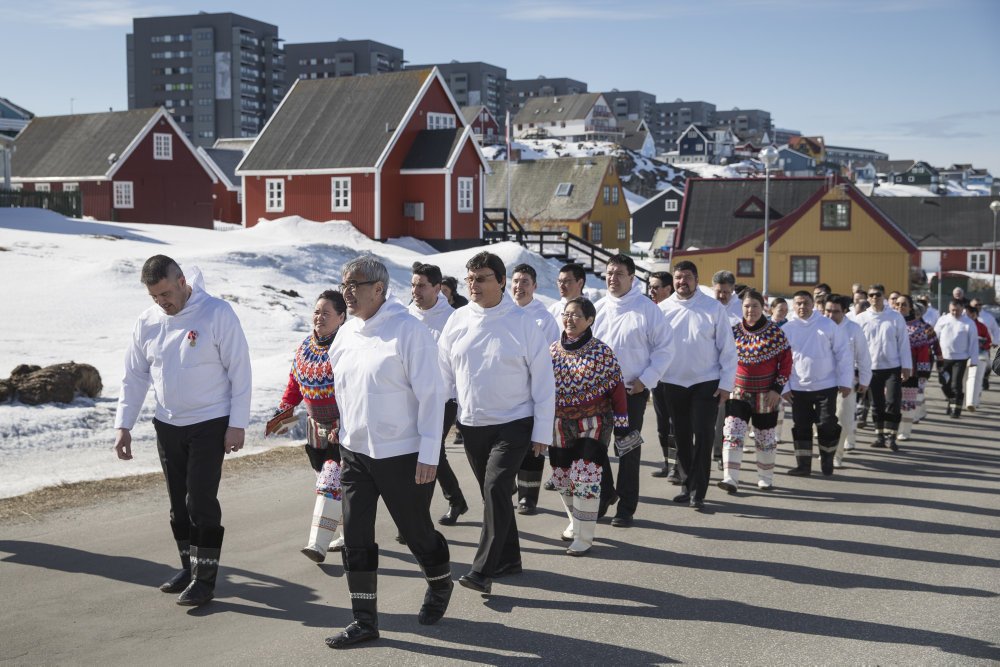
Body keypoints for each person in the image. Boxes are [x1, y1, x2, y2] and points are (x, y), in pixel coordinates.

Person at [324, 257, 452, 648]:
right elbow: (344, 389)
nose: (347, 291)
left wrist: (430, 453)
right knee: (356, 536)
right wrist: (340, 429)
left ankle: (439, 581)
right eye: (344, 284)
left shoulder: (407, 331)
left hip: (403, 453)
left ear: (378, 289)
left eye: (355, 285)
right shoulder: (345, 335)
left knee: (416, 532)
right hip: (356, 453)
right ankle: (364, 620)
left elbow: (433, 395)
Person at [114, 255, 252, 607]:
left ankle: (205, 580)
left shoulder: (217, 313)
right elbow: (135, 375)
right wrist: (123, 424)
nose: (162, 302)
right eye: (154, 297)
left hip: (210, 422)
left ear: (181, 282)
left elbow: (240, 370)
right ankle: (188, 569)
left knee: (200, 500)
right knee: (178, 505)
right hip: (168, 424)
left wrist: (237, 424)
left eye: (165, 293)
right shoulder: (147, 322)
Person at [438, 251, 555, 595]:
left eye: (482, 278)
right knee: (496, 495)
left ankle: (482, 570)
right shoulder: (458, 320)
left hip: (515, 421)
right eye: (469, 279)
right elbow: (444, 373)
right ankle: (510, 559)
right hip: (472, 423)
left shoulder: (523, 324)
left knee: (495, 489)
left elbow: (544, 382)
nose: (473, 285)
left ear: (501, 281)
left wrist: (542, 432)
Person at [266, 290, 347, 563]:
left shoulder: (346, 347)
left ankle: (317, 545)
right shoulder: (304, 347)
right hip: (315, 430)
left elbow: (356, 389)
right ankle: (350, 533)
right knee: (332, 486)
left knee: (331, 482)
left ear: (342, 317)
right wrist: (282, 413)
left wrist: (346, 423)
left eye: (326, 313)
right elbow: (294, 385)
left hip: (342, 428)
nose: (319, 318)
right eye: (316, 312)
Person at [593, 254, 673, 524]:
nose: (612, 278)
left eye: (619, 274)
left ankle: (626, 506)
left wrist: (645, 379)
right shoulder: (598, 308)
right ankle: (605, 495)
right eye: (609, 273)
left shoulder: (647, 309)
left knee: (627, 448)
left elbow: (665, 349)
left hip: (631, 392)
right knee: (593, 447)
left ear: (631, 277)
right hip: (598, 393)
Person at [550, 296, 630, 555]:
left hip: (594, 422)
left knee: (584, 476)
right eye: (566, 314)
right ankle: (575, 521)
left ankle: (584, 537)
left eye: (576, 315)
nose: (569, 319)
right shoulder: (552, 351)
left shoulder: (601, 351)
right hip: (560, 422)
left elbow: (617, 389)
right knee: (563, 477)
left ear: (590, 320)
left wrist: (622, 423)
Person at [659, 261, 737, 509]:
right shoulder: (662, 309)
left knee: (703, 435)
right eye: (678, 277)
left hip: (706, 382)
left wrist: (726, 384)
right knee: (681, 436)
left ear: (696, 279)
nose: (683, 282)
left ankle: (698, 491)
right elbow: (654, 346)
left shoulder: (713, 308)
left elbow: (728, 349)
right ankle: (686, 483)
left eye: (688, 277)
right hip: (672, 381)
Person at [408, 264, 469, 527]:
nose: (415, 291)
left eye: (421, 286)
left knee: (429, 451)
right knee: (426, 452)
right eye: (412, 285)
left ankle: (417, 519)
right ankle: (456, 499)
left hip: (444, 399)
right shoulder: (406, 315)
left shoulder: (453, 318)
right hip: (412, 398)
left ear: (437, 288)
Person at [718, 290, 792, 492]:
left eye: (755, 306)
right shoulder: (733, 331)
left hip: (766, 395)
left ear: (763, 308)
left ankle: (765, 478)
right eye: (747, 306)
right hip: (738, 392)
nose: (750, 310)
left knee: (764, 437)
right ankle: (730, 478)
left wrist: (777, 389)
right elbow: (723, 360)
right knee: (732, 432)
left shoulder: (776, 333)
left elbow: (786, 364)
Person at [780, 291, 852, 477]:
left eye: (806, 303)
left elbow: (843, 354)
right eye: (798, 304)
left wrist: (845, 381)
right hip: (798, 388)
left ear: (813, 304)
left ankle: (827, 461)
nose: (802, 307)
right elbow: (781, 361)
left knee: (827, 424)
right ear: (793, 306)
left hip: (826, 385)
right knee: (801, 426)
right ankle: (803, 466)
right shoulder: (787, 329)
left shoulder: (827, 324)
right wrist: (785, 387)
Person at [510, 263, 560, 515]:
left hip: (532, 393)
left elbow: (551, 358)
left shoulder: (543, 319)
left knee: (533, 444)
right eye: (516, 281)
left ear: (535, 287)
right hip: (506, 393)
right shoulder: (502, 312)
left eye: (525, 282)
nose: (519, 286)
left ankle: (528, 497)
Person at [856, 284, 912, 451]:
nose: (874, 298)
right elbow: (855, 345)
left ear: (884, 296)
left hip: (892, 367)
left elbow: (903, 342)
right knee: (877, 404)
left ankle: (891, 436)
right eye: (871, 295)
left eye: (878, 294)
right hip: (871, 368)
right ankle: (880, 435)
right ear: (868, 298)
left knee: (893, 401)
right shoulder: (861, 319)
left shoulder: (895, 317)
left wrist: (906, 366)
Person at [823, 295, 871, 466]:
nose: (830, 315)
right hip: (819, 383)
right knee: (821, 421)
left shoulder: (853, 329)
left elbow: (863, 356)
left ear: (844, 311)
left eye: (835, 312)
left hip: (845, 383)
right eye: (828, 310)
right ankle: (825, 449)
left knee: (843, 418)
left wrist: (865, 380)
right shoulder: (818, 327)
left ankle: (836, 454)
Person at [647, 271, 679, 480]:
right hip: (657, 377)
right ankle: (668, 463)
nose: (652, 291)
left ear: (669, 289)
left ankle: (678, 468)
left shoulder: (677, 311)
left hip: (676, 377)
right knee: (661, 425)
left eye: (656, 287)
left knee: (676, 425)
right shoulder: (651, 311)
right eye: (650, 286)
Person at [891, 294, 936, 441]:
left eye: (904, 304)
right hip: (889, 370)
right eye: (897, 304)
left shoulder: (917, 327)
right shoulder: (888, 323)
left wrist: (923, 373)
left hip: (911, 371)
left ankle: (905, 431)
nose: (900, 307)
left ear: (910, 307)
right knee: (891, 402)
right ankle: (891, 430)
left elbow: (923, 351)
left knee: (908, 402)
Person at [933, 299, 979, 419]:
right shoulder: (943, 320)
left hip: (960, 358)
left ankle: (956, 409)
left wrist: (974, 360)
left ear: (962, 309)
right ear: (949, 308)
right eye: (952, 310)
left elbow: (974, 342)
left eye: (957, 310)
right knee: (944, 383)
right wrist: (933, 353)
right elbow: (935, 337)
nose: (955, 312)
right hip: (943, 358)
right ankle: (952, 400)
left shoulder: (968, 323)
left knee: (956, 384)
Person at [964, 304, 992, 411]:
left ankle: (973, 402)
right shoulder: (962, 325)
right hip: (964, 356)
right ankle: (965, 400)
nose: (970, 316)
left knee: (976, 378)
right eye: (968, 313)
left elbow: (988, 340)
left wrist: (982, 345)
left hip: (980, 355)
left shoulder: (982, 326)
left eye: (972, 314)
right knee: (965, 379)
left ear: (976, 314)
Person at [969, 298, 999, 390]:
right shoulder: (965, 316)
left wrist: (995, 341)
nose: (978, 307)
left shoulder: (988, 317)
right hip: (968, 347)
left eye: (979, 305)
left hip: (984, 347)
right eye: (975, 305)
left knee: (986, 365)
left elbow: (996, 330)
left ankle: (984, 378)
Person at [548, 263, 587, 331]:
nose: (561, 285)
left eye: (566, 281)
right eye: (559, 281)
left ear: (580, 282)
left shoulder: (591, 311)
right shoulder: (552, 311)